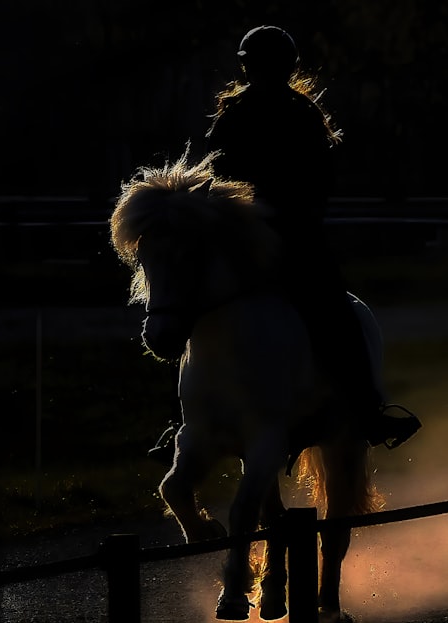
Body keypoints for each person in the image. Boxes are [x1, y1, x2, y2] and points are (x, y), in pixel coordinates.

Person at [148, 25, 419, 464]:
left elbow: (318, 183)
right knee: (185, 313)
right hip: (242, 239)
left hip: (294, 237)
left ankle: (365, 409)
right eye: (259, 65)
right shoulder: (237, 116)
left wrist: (285, 217)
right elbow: (215, 176)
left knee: (335, 310)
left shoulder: (297, 115)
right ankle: (185, 420)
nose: (263, 72)